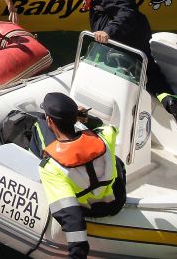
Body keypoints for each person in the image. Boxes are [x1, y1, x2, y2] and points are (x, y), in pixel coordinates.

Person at [35, 0, 177, 134]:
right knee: (150, 72)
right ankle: (171, 102)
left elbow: (125, 11)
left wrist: (108, 31)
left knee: (103, 67)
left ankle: (98, 115)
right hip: (136, 30)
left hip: (120, 34)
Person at [36, 91, 126, 259]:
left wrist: (77, 254)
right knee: (116, 161)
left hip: (89, 211)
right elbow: (109, 128)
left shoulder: (51, 167)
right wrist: (86, 119)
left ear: (50, 120)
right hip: (116, 202)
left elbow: (71, 216)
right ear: (75, 118)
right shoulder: (104, 137)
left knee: (37, 128)